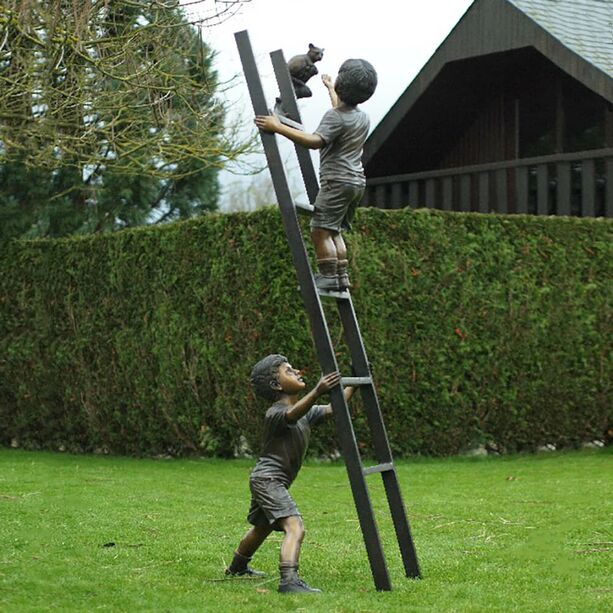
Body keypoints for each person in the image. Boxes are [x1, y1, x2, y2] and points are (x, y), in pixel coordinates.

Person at [225, 354, 354, 593]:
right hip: (268, 480)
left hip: (270, 480)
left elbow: (333, 409)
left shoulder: (305, 411)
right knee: (295, 526)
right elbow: (291, 415)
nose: (297, 371)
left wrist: (354, 381)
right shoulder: (275, 413)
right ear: (276, 385)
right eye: (288, 370)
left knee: (262, 527)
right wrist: (317, 390)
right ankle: (289, 581)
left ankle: (237, 567)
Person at [255, 59, 378, 292]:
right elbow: (339, 113)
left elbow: (315, 141)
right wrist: (331, 89)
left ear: (343, 84)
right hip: (356, 182)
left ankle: (328, 276)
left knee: (320, 229)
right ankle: (340, 276)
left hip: (336, 181)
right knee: (334, 230)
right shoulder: (362, 117)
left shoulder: (335, 118)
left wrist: (277, 126)